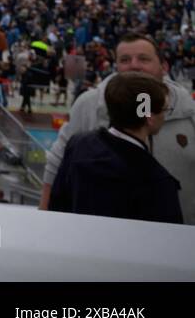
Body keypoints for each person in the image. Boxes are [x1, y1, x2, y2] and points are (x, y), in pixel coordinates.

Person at [40, 33, 195, 225]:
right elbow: (55, 164)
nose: (134, 65)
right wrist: (44, 220)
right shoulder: (89, 104)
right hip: (96, 238)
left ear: (164, 67)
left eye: (144, 59)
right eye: (125, 60)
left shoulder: (188, 111)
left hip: (177, 240)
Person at [49, 72, 182, 224]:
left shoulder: (79, 144)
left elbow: (57, 205)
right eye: (165, 109)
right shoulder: (156, 181)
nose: (165, 116)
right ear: (149, 117)